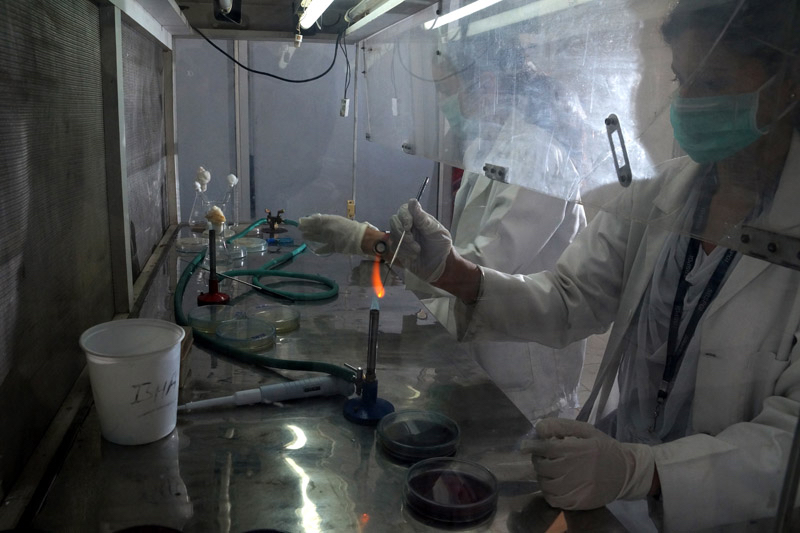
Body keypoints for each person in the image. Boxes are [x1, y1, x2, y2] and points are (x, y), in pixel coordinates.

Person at [369, 0, 800, 529]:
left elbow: (790, 443)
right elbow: (570, 298)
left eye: (712, 82)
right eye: (682, 80)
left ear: (787, 84)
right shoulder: (662, 195)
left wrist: (646, 472)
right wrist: (453, 273)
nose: (687, 102)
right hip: (619, 494)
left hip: (734, 515)